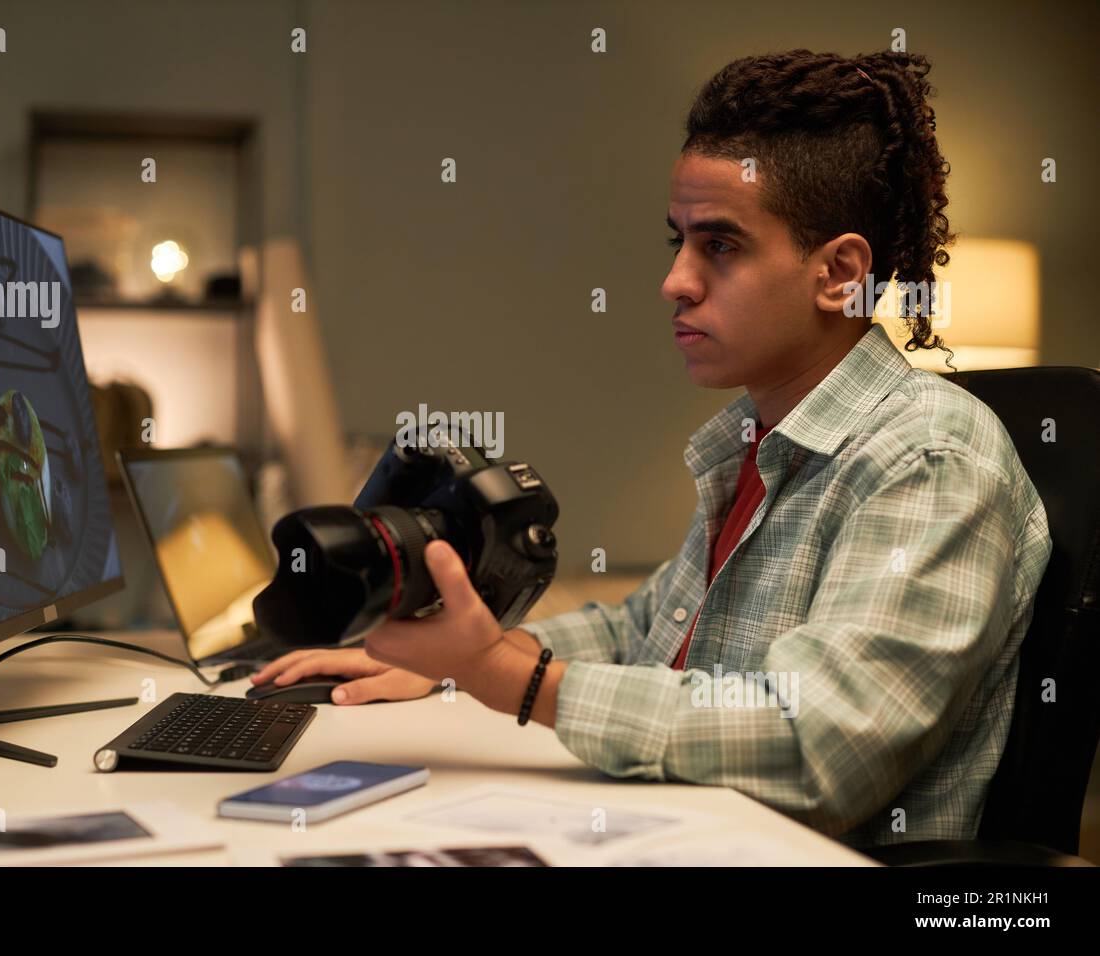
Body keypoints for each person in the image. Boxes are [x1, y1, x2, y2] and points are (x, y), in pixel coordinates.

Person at [250, 49, 1051, 850]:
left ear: (840, 274)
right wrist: (461, 657)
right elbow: (647, 633)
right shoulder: (764, 440)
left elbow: (821, 750)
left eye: (722, 246)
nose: (675, 280)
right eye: (678, 242)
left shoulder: (929, 456)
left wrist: (512, 678)